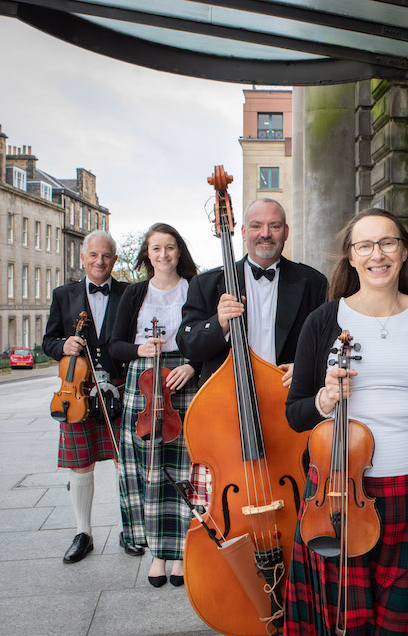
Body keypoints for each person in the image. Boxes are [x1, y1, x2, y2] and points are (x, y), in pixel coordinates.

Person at [280, 208, 408, 636]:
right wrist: (324, 399)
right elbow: (296, 414)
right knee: (343, 624)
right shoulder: (324, 321)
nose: (377, 254)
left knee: (401, 627)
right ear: (351, 256)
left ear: (404, 252)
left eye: (387, 243)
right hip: (336, 494)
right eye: (365, 245)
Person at [177, 198, 327, 506]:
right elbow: (188, 342)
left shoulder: (313, 282)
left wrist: (306, 367)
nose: (265, 234)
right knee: (226, 495)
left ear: (286, 232)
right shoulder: (207, 283)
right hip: (226, 407)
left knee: (296, 486)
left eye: (274, 226)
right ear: (244, 231)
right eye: (257, 226)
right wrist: (218, 323)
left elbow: (327, 345)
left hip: (287, 402)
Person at [43, 229, 145, 563]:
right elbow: (48, 342)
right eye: (93, 255)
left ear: (114, 259)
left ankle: (130, 530)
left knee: (124, 462)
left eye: (106, 255)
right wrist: (63, 345)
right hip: (78, 392)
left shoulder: (130, 293)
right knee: (80, 464)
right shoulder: (63, 295)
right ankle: (83, 534)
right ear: (83, 258)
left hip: (119, 387)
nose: (99, 261)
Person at [109, 223, 201, 587]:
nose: (164, 254)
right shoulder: (135, 293)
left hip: (183, 382)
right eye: (156, 248)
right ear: (147, 254)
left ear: (180, 251)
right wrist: (140, 349)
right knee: (149, 469)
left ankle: (181, 552)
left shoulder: (195, 288)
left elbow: (211, 338)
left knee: (183, 468)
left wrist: (193, 366)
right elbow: (114, 346)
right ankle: (158, 553)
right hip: (144, 384)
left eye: (170, 247)